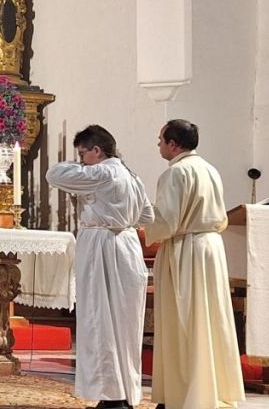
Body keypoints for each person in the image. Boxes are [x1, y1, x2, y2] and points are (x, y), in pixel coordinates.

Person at [46, 125, 152, 409]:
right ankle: (127, 393)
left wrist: (99, 211)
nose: (81, 161)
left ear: (97, 150)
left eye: (83, 154)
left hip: (102, 246)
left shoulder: (103, 172)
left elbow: (53, 174)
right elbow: (147, 215)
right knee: (126, 325)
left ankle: (111, 395)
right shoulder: (132, 175)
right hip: (128, 245)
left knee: (100, 320)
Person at [145, 119, 244, 409]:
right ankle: (210, 392)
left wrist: (141, 219)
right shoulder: (209, 169)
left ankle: (183, 396)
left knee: (184, 321)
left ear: (174, 144)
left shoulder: (175, 173)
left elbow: (166, 222)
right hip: (210, 248)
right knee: (210, 319)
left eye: (161, 139)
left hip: (185, 250)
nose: (158, 144)